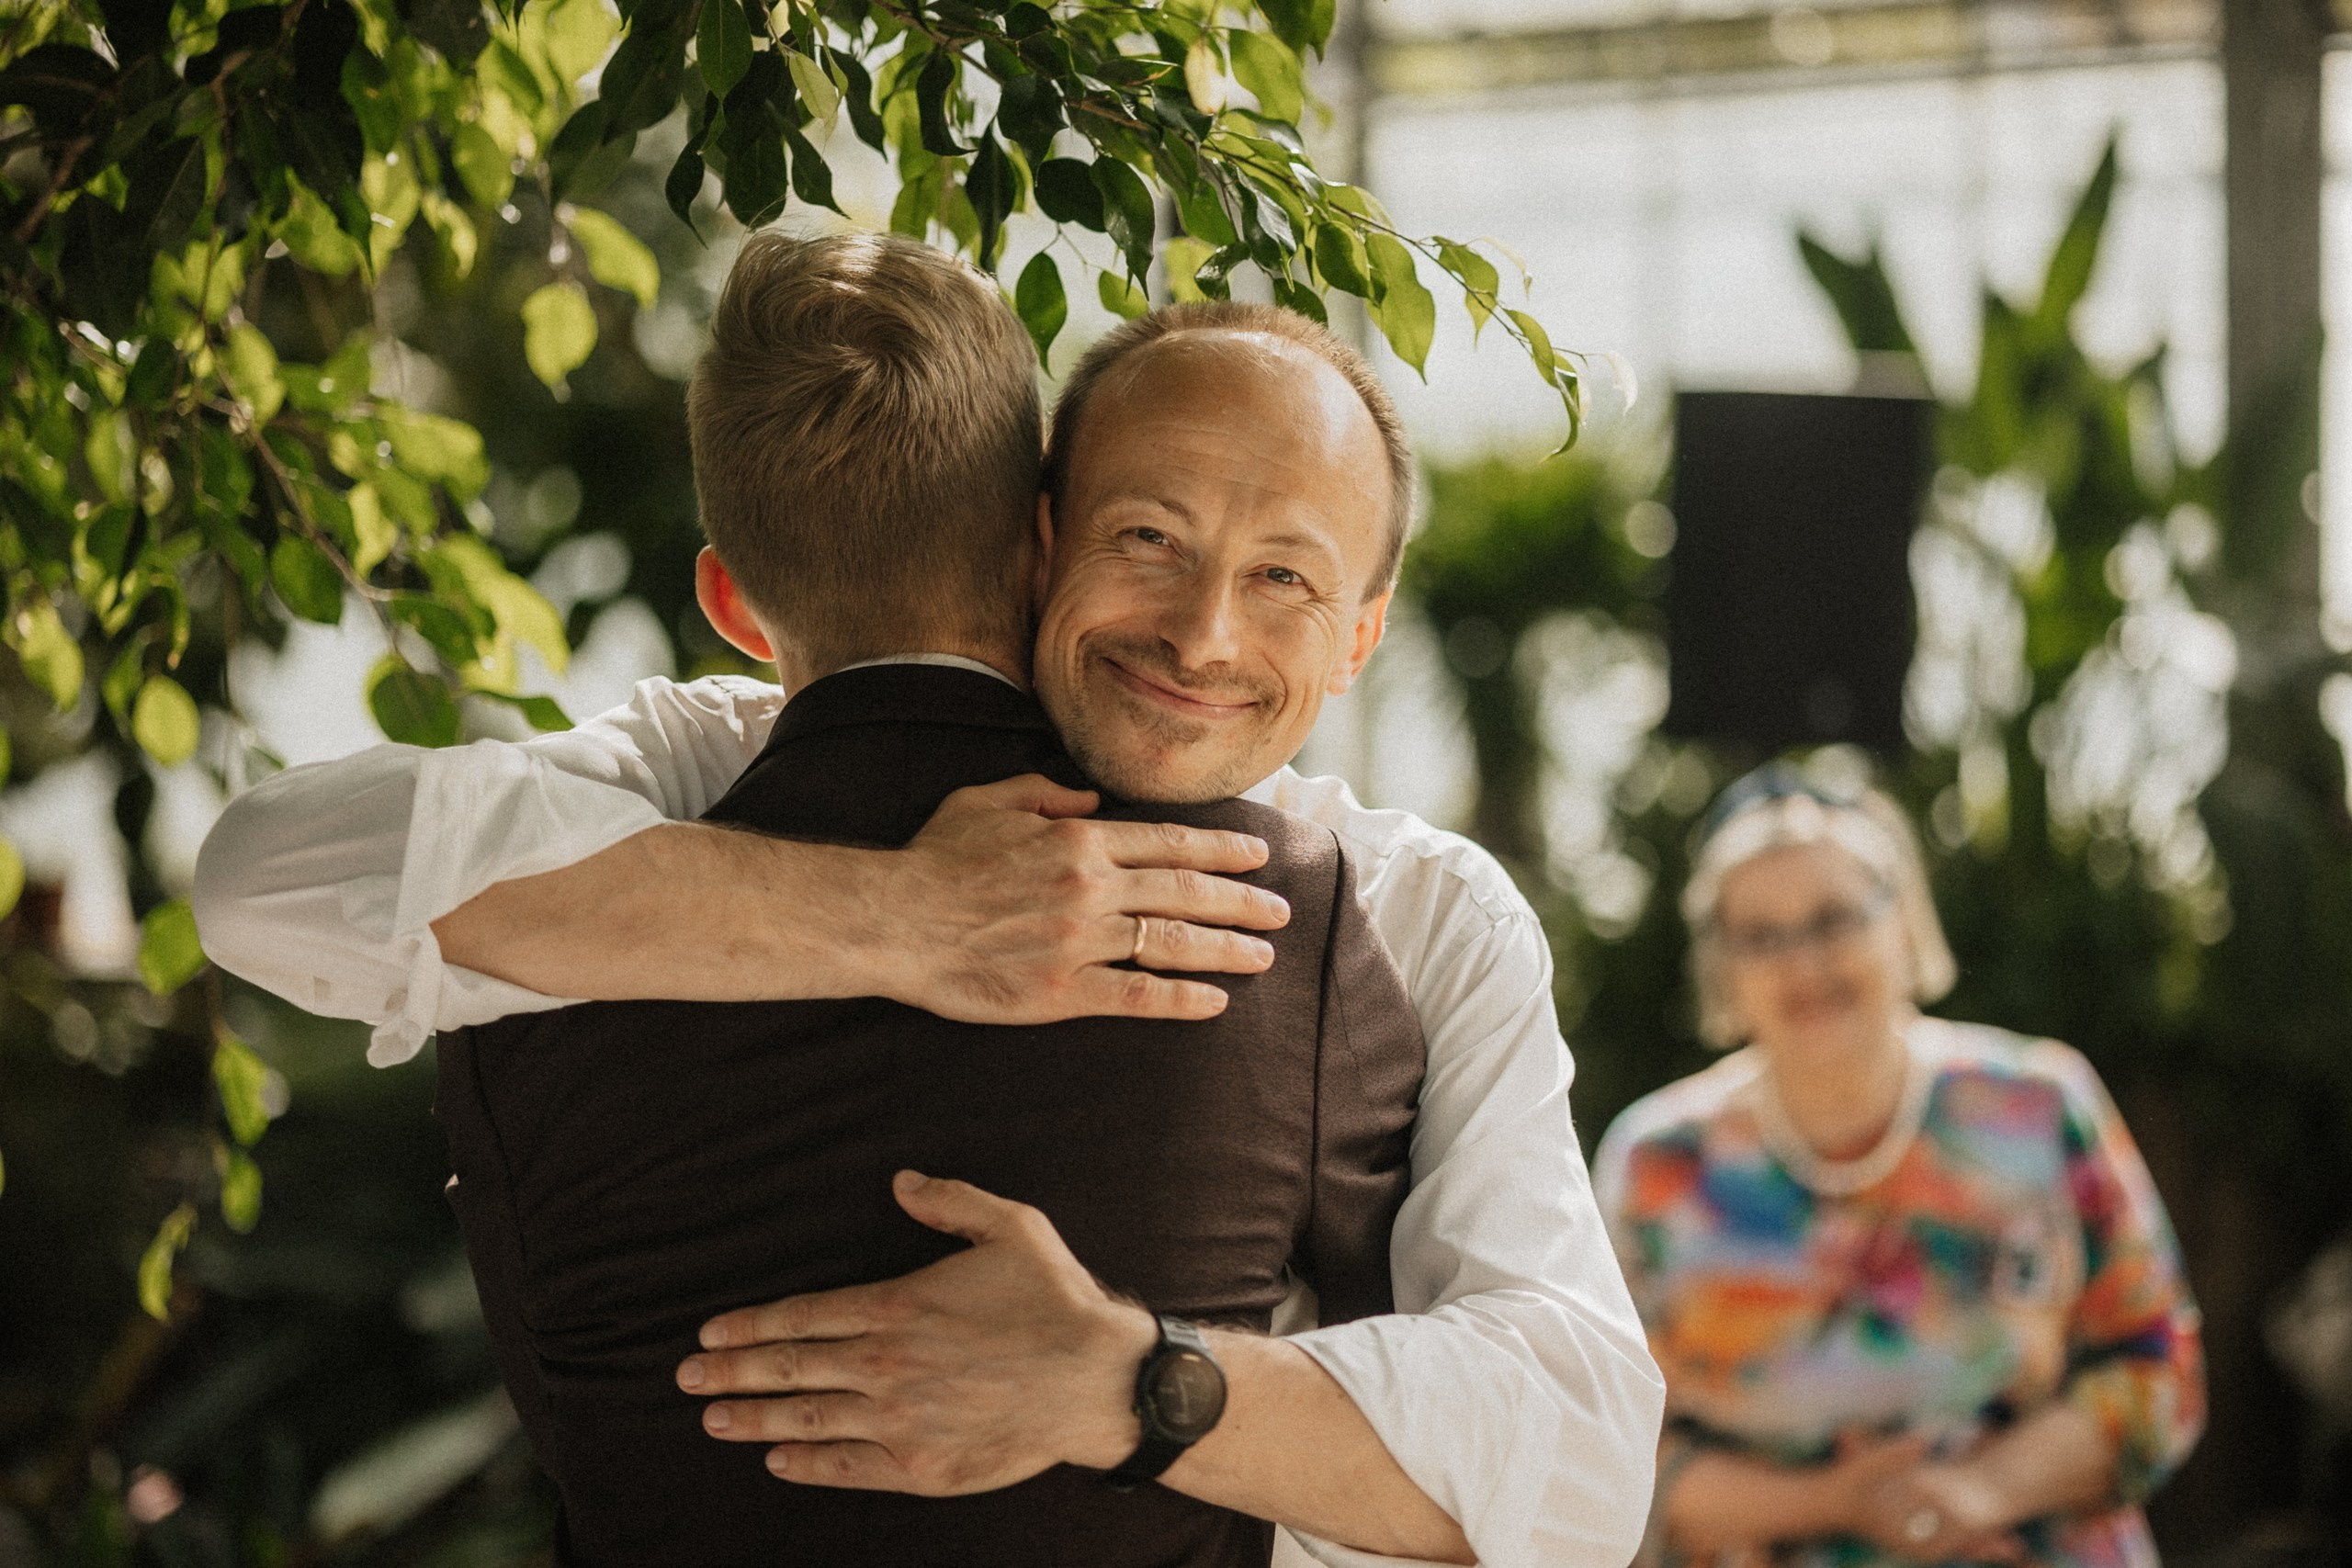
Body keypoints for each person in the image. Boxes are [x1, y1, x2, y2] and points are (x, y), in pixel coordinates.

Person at [193, 252, 1667, 1566]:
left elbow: (1584, 1469)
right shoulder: (694, 770)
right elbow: (268, 874)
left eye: (1282, 573)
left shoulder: (1419, 910)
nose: (1203, 634)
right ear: (1041, 538)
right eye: (1148, 536)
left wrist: (1126, 1381)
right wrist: (905, 914)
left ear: (1359, 637)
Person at [435, 230, 1425, 1567]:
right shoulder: (1280, 916)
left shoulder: (494, 947)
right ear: (1039, 546)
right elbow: (1429, 1433)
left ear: (730, 597)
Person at [1592, 765, 2204, 1568]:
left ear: (1905, 922)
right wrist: (1839, 1503)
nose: (1804, 963)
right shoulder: (1657, 1162)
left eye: (1835, 917)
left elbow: (2158, 1367)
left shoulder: (2039, 1106)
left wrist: (1983, 1491)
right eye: (1761, 935)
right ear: (1724, 971)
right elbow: (1606, 1442)